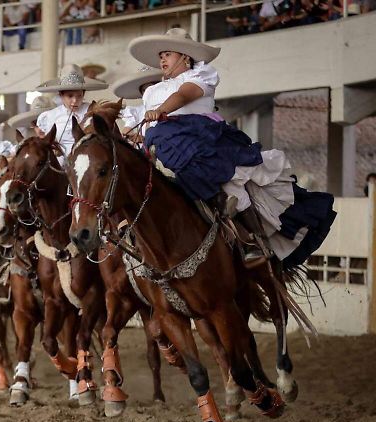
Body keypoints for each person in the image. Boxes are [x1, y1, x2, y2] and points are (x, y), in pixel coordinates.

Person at [128, 27, 336, 268]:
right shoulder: (152, 90)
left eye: (168, 54)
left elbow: (184, 96)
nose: (162, 59)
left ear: (185, 56)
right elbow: (144, 124)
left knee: (230, 184)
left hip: (197, 136)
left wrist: (162, 110)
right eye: (160, 55)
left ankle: (250, 241)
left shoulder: (200, 75)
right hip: (160, 143)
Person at [35, 63, 108, 161]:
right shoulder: (51, 116)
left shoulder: (92, 110)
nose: (75, 101)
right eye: (70, 96)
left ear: (84, 93)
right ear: (61, 95)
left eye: (79, 96)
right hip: (60, 164)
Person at [112, 66, 164, 140]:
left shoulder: (172, 105)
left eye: (151, 89)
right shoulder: (139, 110)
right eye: (144, 90)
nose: (147, 93)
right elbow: (127, 130)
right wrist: (133, 136)